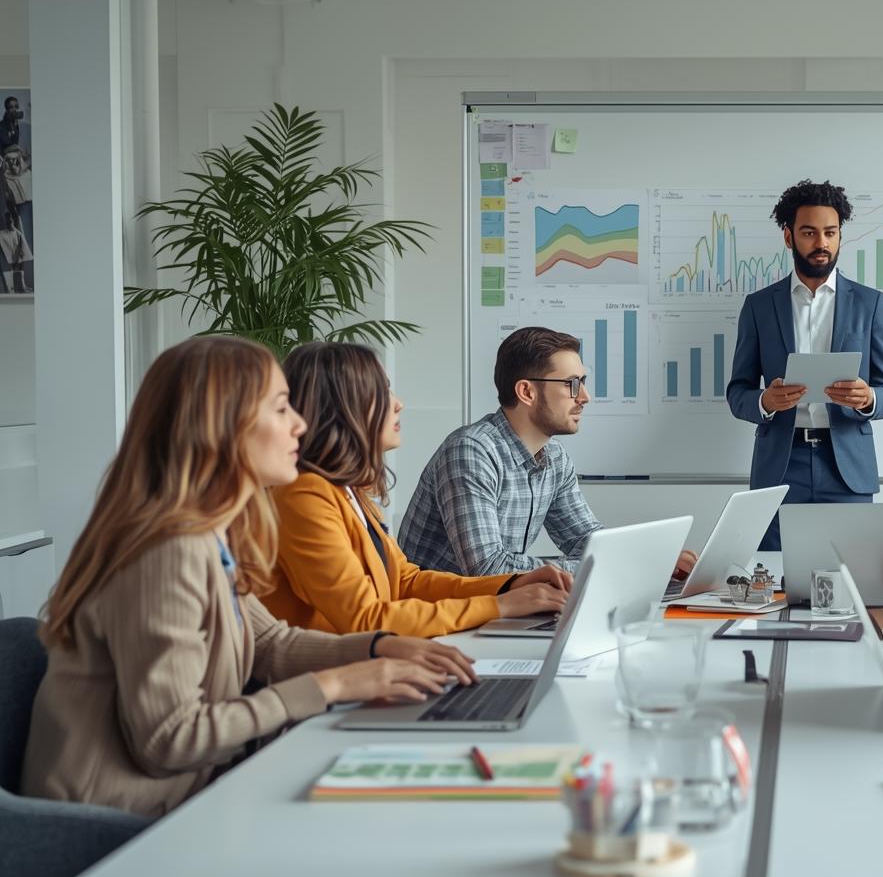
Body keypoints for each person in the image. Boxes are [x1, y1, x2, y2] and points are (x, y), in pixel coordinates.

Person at [23, 336, 474, 818]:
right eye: (282, 409)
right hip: (114, 827)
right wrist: (335, 686)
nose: (300, 423)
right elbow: (168, 740)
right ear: (221, 428)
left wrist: (377, 649)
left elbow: (269, 642)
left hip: (184, 795)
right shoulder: (165, 552)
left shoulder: (206, 533)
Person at [264, 342, 573, 638]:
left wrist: (510, 585)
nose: (398, 403)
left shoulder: (348, 490)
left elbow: (404, 581)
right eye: (383, 391)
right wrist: (499, 606)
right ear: (342, 408)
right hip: (330, 673)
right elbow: (364, 618)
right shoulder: (304, 496)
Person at [400, 326, 697, 578]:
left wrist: (653, 558)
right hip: (438, 623)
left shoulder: (554, 458)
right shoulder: (471, 452)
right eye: (571, 384)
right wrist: (618, 564)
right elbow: (487, 569)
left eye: (583, 382)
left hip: (498, 612)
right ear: (527, 392)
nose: (585, 397)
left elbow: (583, 539)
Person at [726, 179, 883, 550]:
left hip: (846, 470)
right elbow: (737, 392)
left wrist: (868, 397)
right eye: (809, 232)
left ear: (840, 236)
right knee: (773, 582)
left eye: (830, 232)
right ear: (789, 237)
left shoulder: (869, 304)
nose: (821, 243)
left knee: (851, 580)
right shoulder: (759, 306)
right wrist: (765, 402)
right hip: (779, 467)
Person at [0, 208, 30, 293]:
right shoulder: (5, 230)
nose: (9, 220)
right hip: (12, 242)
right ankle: (18, 286)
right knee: (15, 266)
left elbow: (18, 235)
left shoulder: (17, 230)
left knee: (19, 265)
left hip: (16, 241)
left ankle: (21, 286)